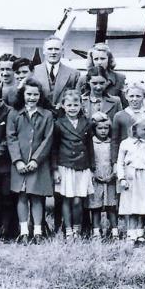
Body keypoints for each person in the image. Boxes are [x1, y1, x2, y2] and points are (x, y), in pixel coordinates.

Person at [6, 78, 54, 244]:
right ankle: (24, 232)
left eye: (35, 94)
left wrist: (36, 160)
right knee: (22, 196)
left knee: (37, 197)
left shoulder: (47, 115)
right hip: (19, 164)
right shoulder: (14, 113)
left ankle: (38, 232)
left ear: (40, 96)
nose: (32, 97)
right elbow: (10, 138)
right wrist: (18, 161)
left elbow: (48, 139)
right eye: (29, 94)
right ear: (22, 94)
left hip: (38, 164)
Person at [52, 90, 94, 241]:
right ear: (63, 106)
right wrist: (55, 169)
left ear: (81, 105)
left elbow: (90, 147)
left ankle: (78, 229)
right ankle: (68, 230)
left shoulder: (87, 123)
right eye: (69, 105)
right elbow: (54, 149)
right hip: (65, 166)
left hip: (82, 167)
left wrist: (92, 168)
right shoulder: (58, 124)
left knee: (78, 200)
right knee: (66, 199)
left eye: (75, 104)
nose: (72, 108)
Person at [116, 114, 145, 245]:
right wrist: (122, 178)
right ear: (134, 129)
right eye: (144, 129)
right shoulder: (125, 143)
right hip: (131, 178)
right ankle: (132, 234)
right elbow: (120, 163)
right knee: (132, 208)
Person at [86, 112, 119, 240]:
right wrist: (93, 174)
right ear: (94, 129)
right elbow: (89, 160)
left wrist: (113, 174)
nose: (103, 131)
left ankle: (114, 230)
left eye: (106, 128)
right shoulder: (91, 143)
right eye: (100, 128)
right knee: (96, 206)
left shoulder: (112, 143)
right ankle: (96, 231)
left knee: (111, 205)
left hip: (110, 177)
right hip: (96, 177)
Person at [112, 83, 145, 162]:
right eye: (131, 96)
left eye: (138, 96)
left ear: (144, 96)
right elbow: (115, 141)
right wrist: (115, 162)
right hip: (126, 158)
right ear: (126, 96)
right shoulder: (119, 116)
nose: (134, 99)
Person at [32, 36, 80, 108]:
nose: (53, 52)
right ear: (44, 51)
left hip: (63, 115)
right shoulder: (33, 71)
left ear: (62, 51)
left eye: (57, 49)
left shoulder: (74, 74)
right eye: (50, 49)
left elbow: (77, 98)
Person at [0, 96, 17, 240]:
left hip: (6, 164)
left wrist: (0, 148)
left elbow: (12, 136)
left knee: (7, 197)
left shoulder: (9, 112)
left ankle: (8, 231)